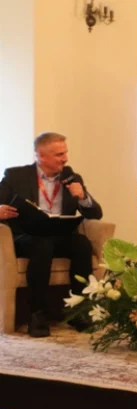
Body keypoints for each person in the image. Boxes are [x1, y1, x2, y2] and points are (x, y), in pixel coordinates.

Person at [0, 132, 103, 337]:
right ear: (40, 156)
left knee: (82, 244)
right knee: (42, 245)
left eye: (65, 153)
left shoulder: (71, 177)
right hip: (26, 236)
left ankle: (79, 309)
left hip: (59, 234)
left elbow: (96, 214)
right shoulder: (15, 176)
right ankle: (37, 313)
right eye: (59, 154)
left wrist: (82, 196)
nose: (65, 159)